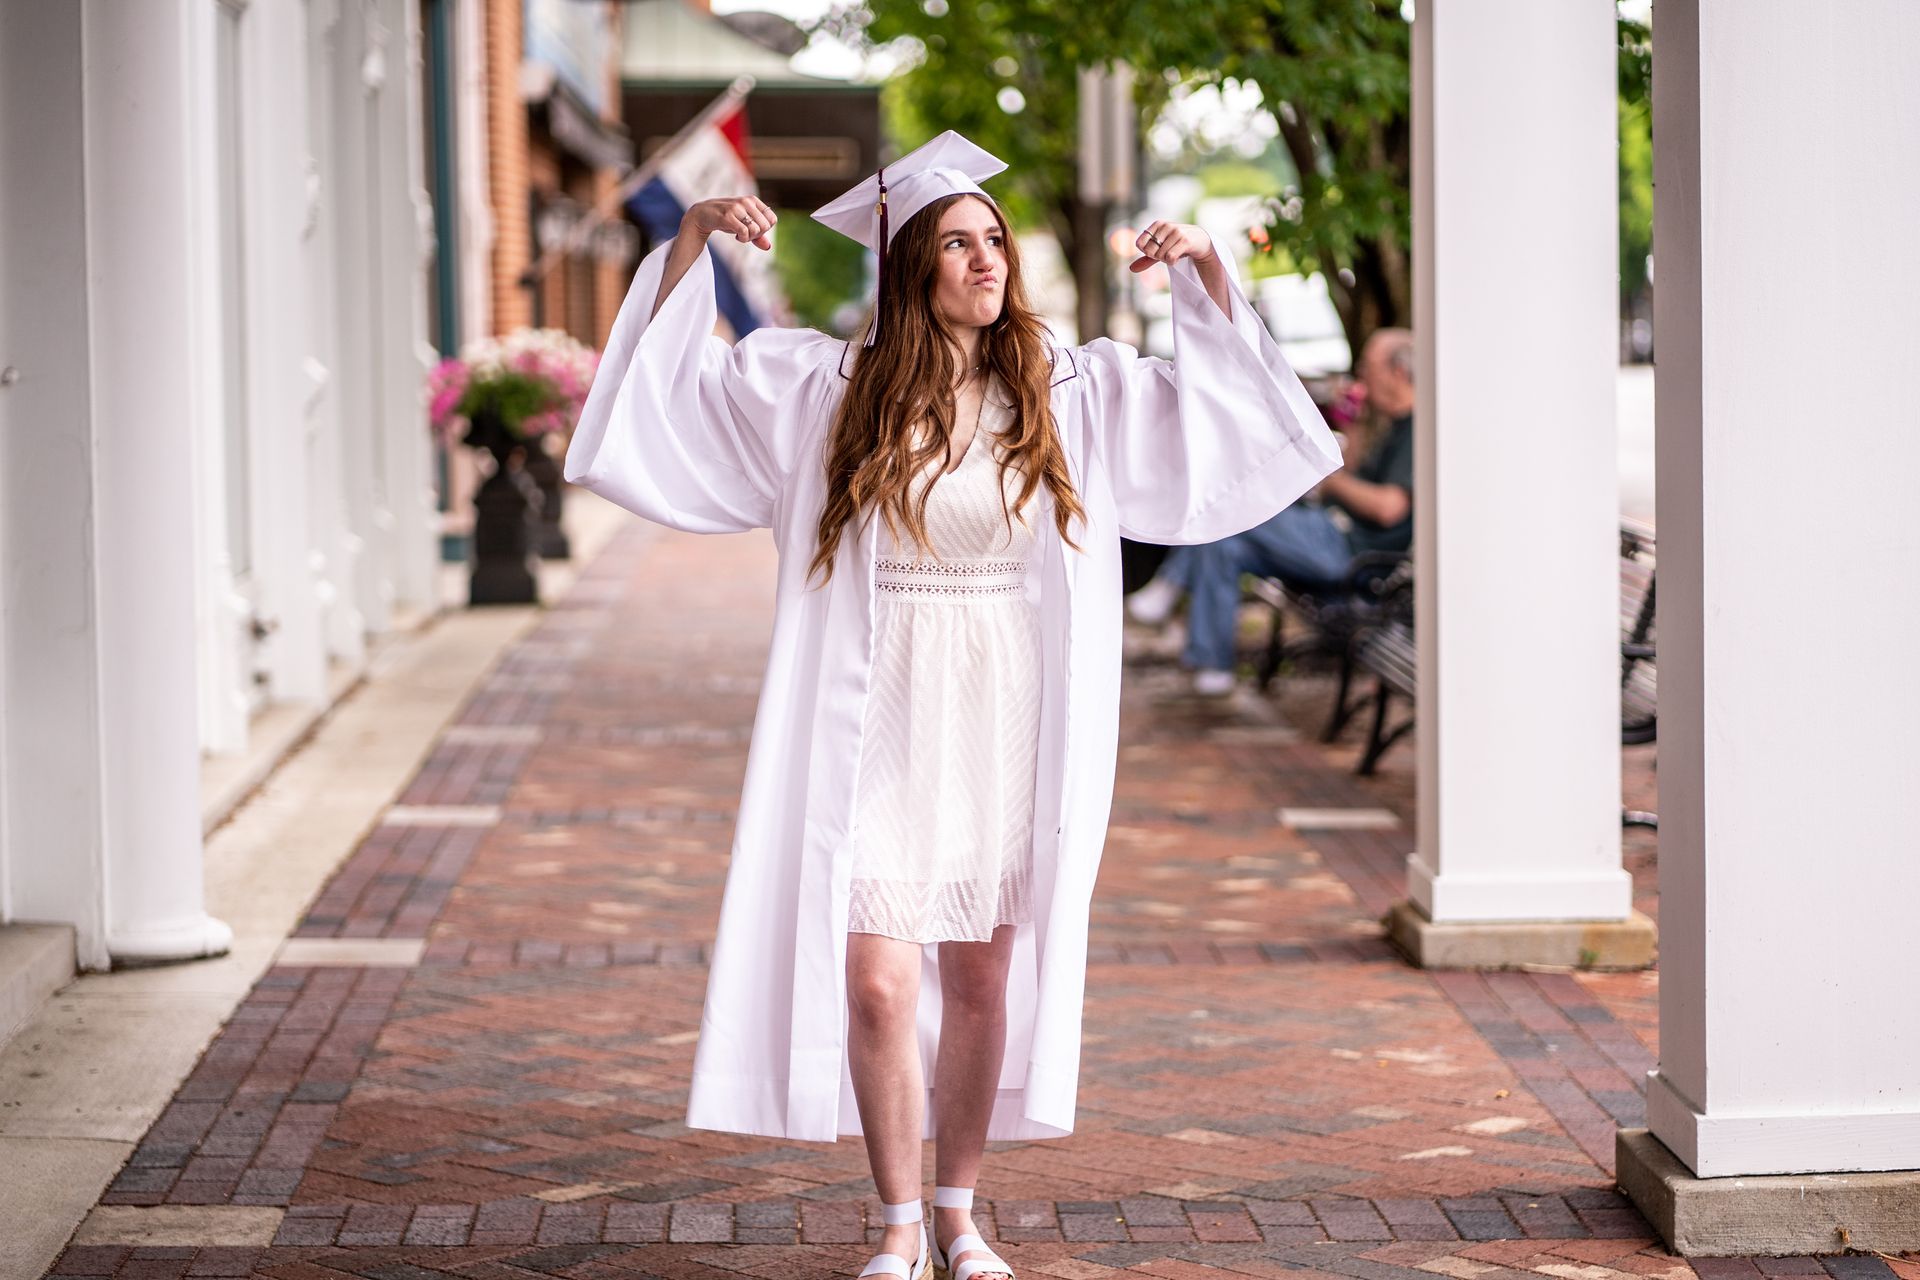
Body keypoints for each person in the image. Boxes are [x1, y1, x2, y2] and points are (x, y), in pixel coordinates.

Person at [564, 131, 1340, 1280]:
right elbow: (671, 398)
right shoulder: (827, 388)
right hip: (876, 705)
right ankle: (891, 1222)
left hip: (1004, 706)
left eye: (995, 241)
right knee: (875, 974)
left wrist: (1203, 273)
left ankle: (959, 1211)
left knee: (981, 973)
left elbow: (1222, 425)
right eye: (962, 243)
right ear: (915, 263)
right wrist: (688, 238)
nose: (989, 262)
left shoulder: (1068, 387)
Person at [1127, 328, 1415, 695]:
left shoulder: (1417, 428)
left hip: (1352, 555)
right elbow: (1354, 474)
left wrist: (1321, 475)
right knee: (1224, 544)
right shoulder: (1390, 425)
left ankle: (1171, 581)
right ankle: (1214, 666)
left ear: (1398, 373)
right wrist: (1352, 425)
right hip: (1334, 537)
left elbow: (1388, 508)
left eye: (1368, 367)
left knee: (1247, 497)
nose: (1361, 375)